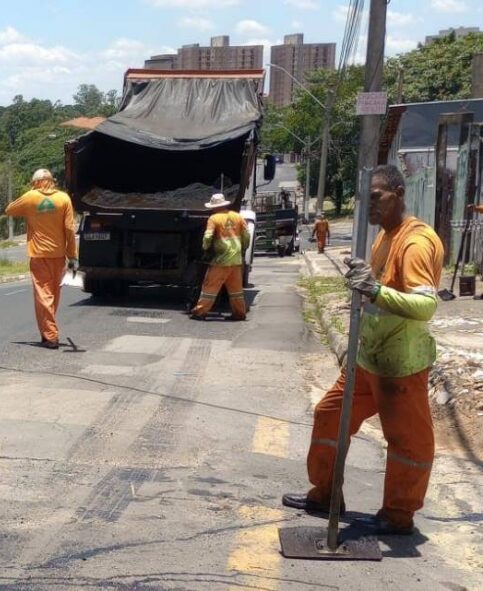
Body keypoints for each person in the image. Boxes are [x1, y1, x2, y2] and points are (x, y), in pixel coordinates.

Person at [283, 165, 445, 535]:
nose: (369, 206)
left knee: (407, 442)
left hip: (401, 364)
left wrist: (374, 290)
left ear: (398, 193)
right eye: (365, 199)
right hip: (369, 358)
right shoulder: (384, 237)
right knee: (329, 415)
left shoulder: (416, 242)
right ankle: (325, 494)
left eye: (377, 198)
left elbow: (426, 306)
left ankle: (398, 514)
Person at [5, 168, 78, 349]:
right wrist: (73, 256)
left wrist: (32, 194)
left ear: (35, 182)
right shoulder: (63, 199)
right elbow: (70, 229)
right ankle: (47, 333)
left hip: (39, 256)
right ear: (52, 180)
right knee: (52, 296)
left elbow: (9, 209)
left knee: (43, 296)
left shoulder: (31, 197)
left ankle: (51, 336)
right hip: (59, 256)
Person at [190, 193, 251, 320]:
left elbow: (208, 236)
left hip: (221, 260)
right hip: (236, 260)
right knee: (236, 290)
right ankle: (239, 313)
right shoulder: (237, 216)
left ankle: (200, 312)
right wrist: (243, 247)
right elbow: (246, 235)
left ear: (214, 206)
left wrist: (205, 248)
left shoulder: (214, 218)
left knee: (210, 287)